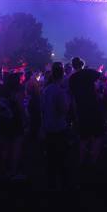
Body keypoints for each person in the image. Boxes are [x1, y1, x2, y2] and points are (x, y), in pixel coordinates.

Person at [69, 57, 104, 164]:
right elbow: (103, 78)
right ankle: (94, 159)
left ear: (73, 66)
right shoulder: (89, 72)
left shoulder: (72, 78)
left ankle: (82, 159)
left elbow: (72, 96)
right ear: (82, 64)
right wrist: (98, 88)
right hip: (94, 106)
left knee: (83, 136)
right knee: (97, 134)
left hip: (81, 108)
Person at [42, 62, 70, 190]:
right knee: (62, 156)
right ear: (62, 75)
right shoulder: (59, 91)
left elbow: (42, 108)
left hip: (47, 126)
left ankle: (50, 182)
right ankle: (63, 184)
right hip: (58, 126)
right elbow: (63, 109)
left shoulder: (46, 90)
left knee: (50, 156)